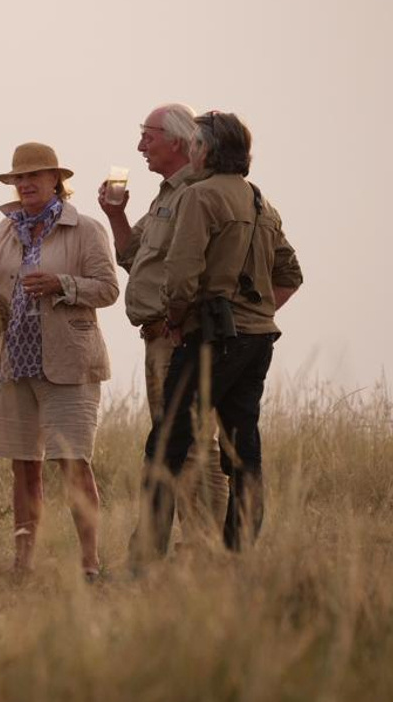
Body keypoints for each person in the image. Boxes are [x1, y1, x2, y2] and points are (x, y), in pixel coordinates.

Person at [132, 111, 302, 561]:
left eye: (195, 145)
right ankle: (236, 554)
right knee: (242, 450)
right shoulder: (262, 202)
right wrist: (256, 312)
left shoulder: (200, 196)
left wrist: (176, 316)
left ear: (205, 150)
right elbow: (290, 273)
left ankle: (143, 562)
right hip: (257, 339)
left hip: (208, 339)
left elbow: (181, 276)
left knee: (166, 446)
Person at [0, 143, 118, 578]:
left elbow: (108, 289)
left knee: (74, 464)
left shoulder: (86, 229)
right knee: (24, 467)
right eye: (19, 178)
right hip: (13, 361)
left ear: (56, 180)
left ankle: (89, 563)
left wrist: (62, 284)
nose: (25, 184)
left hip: (68, 363)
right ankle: (22, 563)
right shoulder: (4, 232)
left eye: (34, 176)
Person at [98, 103, 229, 543]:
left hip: (180, 336)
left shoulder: (198, 192)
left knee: (194, 446)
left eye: (147, 136)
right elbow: (133, 258)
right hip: (158, 337)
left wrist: (183, 321)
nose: (140, 146)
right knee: (174, 442)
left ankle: (204, 546)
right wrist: (116, 215)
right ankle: (175, 547)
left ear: (177, 141)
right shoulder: (166, 194)